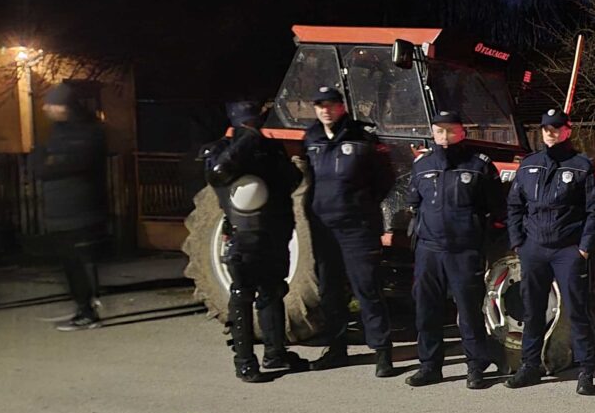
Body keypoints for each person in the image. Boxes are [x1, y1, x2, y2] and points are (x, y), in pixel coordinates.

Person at [201, 100, 308, 382]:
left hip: (274, 231)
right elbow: (217, 174)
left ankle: (275, 354)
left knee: (272, 291)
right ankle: (245, 362)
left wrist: (259, 146)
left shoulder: (269, 149)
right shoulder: (222, 151)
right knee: (243, 295)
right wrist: (246, 140)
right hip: (243, 234)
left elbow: (293, 179)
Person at [504, 109, 595, 394]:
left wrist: (584, 249)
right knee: (532, 310)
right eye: (547, 128)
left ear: (567, 131)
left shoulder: (582, 165)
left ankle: (586, 370)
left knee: (576, 311)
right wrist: (518, 244)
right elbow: (515, 206)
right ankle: (530, 366)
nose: (551, 133)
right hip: (533, 249)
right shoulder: (529, 164)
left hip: (567, 250)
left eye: (557, 128)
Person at [404, 111, 505, 390]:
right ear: (433, 133)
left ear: (462, 132)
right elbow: (415, 203)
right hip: (429, 250)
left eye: (450, 131)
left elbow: (495, 209)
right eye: (439, 131)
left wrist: (478, 239)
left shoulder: (479, 165)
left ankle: (475, 366)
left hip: (464, 251)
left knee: (469, 310)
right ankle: (430, 366)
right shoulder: (422, 165)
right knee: (427, 310)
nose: (444, 137)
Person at [301, 84, 397, 376]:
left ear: (341, 106)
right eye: (320, 105)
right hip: (323, 228)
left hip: (357, 227)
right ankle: (336, 347)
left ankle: (382, 353)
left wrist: (360, 205)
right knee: (330, 291)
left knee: (366, 288)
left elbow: (385, 179)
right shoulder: (311, 138)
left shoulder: (362, 138)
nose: (325, 110)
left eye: (330, 104)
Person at [34, 81, 109, 331]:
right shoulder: (59, 132)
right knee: (70, 262)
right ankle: (84, 307)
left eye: (52, 104)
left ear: (65, 106)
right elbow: (41, 166)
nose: (47, 108)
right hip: (61, 210)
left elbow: (69, 164)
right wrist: (49, 162)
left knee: (80, 260)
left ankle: (88, 311)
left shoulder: (87, 132)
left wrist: (51, 162)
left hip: (81, 209)